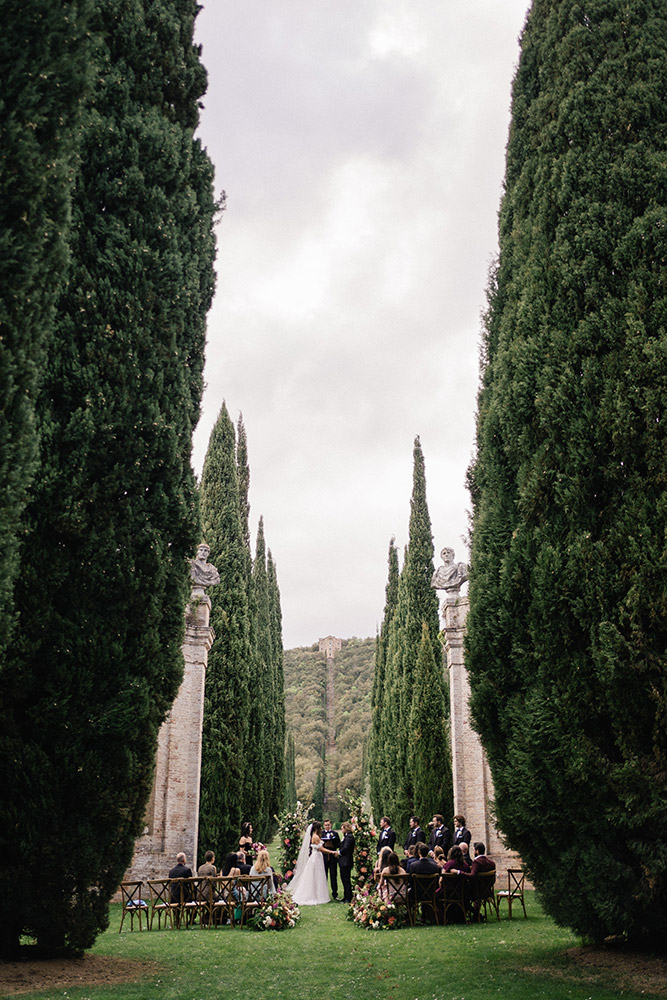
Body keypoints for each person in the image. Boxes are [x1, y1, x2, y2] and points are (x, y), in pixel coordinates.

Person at [289, 822, 330, 905]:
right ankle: (316, 895)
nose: (322, 829)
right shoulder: (315, 837)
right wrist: (332, 852)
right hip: (316, 857)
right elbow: (321, 849)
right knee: (317, 875)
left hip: (316, 857)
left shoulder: (314, 836)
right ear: (316, 829)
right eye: (320, 827)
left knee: (316, 875)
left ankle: (317, 894)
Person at [336, 821, 355, 903]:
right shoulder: (346, 837)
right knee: (344, 879)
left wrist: (339, 853)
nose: (341, 830)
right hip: (344, 861)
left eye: (342, 828)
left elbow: (346, 848)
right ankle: (346, 896)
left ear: (345, 828)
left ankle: (348, 897)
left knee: (346, 879)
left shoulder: (349, 837)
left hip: (346, 861)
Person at [322, 820, 341, 900]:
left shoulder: (335, 833)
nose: (327, 826)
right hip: (324, 857)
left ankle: (335, 893)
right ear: (324, 826)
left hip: (333, 857)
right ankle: (323, 893)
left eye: (328, 825)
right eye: (326, 825)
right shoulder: (321, 834)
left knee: (333, 875)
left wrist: (332, 843)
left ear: (331, 825)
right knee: (324, 876)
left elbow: (339, 844)